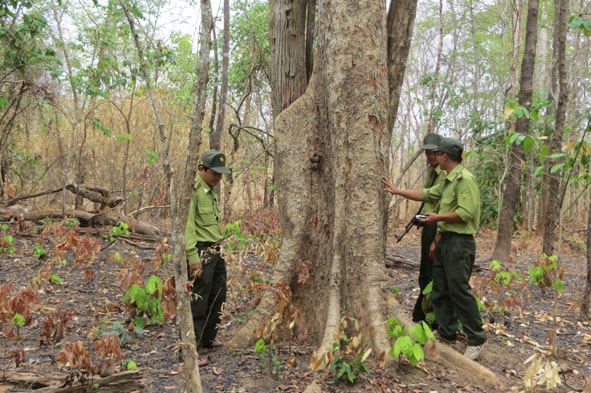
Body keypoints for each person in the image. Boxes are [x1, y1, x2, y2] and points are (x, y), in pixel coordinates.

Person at [382, 137, 486, 360]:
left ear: (445, 156)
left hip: (460, 242)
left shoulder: (464, 179)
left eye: (438, 154)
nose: (434, 157)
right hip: (444, 239)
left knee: (459, 289)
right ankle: (447, 335)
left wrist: (437, 217)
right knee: (440, 288)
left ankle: (476, 338)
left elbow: (466, 213)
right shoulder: (447, 180)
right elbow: (428, 194)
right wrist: (398, 191)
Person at [185, 149, 231, 367]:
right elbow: (188, 228)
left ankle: (207, 338)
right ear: (201, 169)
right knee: (198, 301)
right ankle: (191, 350)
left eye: (221, 174)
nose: (219, 178)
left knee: (218, 294)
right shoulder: (192, 191)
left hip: (216, 249)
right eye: (215, 173)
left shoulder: (211, 189)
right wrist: (193, 258)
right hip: (201, 251)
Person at [412, 133, 445, 326]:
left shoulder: (445, 173)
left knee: (433, 273)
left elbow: (442, 203)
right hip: (428, 225)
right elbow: (428, 201)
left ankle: (430, 316)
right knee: (425, 272)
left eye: (434, 152)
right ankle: (423, 313)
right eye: (428, 152)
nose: (431, 156)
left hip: (438, 227)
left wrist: (436, 237)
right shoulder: (431, 171)